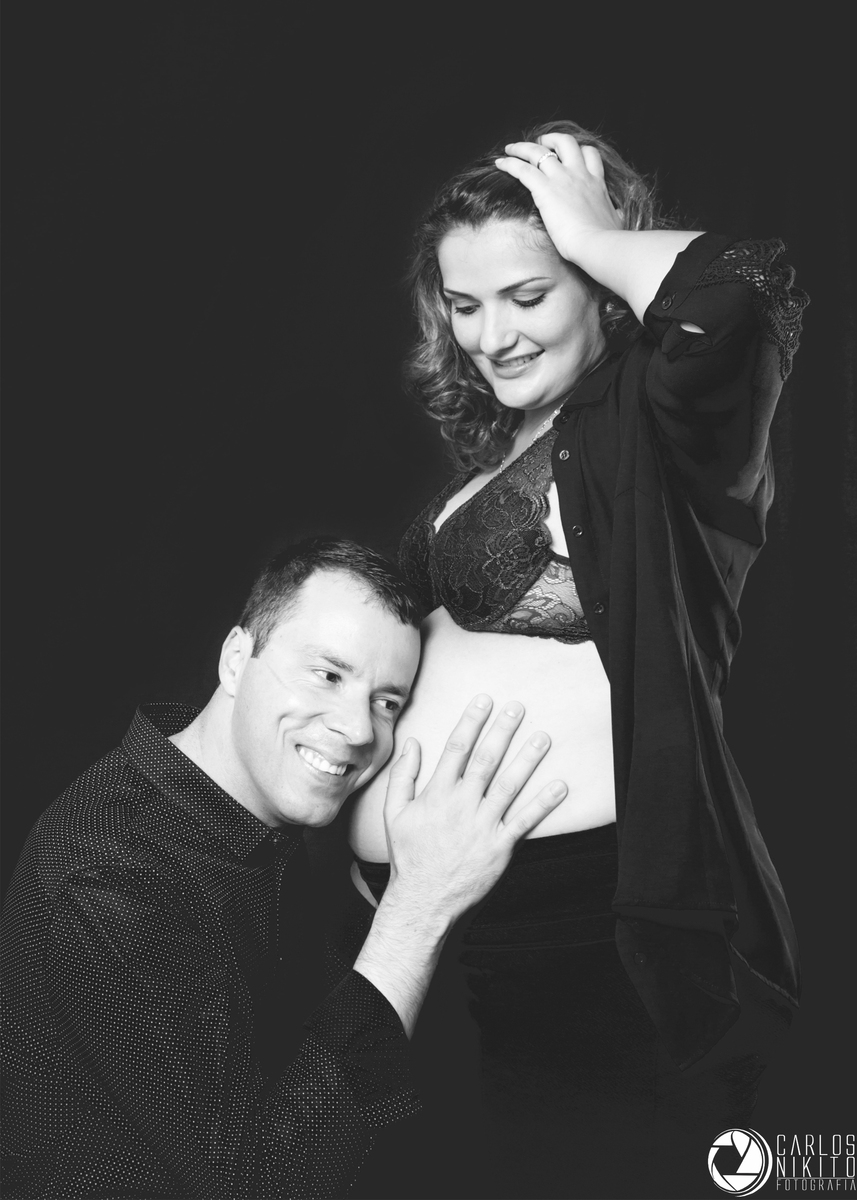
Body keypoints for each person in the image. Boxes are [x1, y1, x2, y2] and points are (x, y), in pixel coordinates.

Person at [347, 121, 809, 1198]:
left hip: (583, 920)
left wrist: (594, 233)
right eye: (464, 305)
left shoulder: (652, 424)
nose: (490, 335)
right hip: (467, 927)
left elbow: (748, 292)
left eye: (526, 294)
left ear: (598, 288)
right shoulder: (510, 444)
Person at [0, 537, 570, 1200]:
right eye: (327, 675)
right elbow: (262, 1184)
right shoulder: (109, 874)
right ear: (236, 659)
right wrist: (417, 910)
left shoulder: (241, 820)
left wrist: (384, 889)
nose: (360, 729)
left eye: (386, 702)